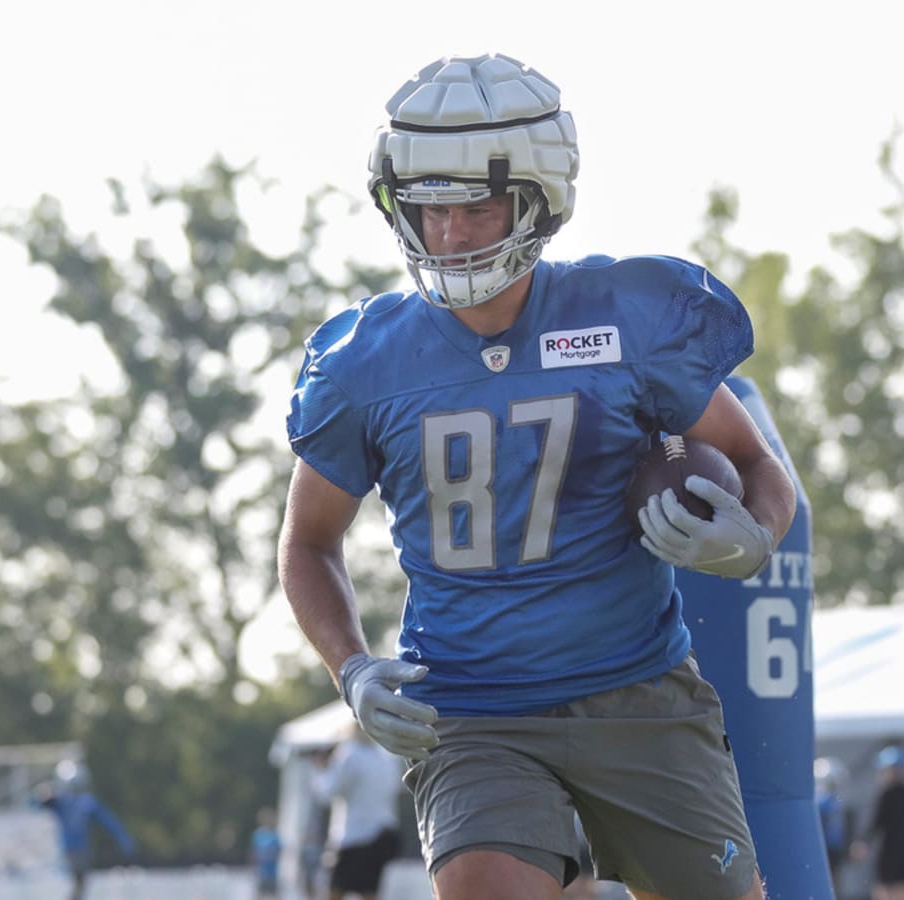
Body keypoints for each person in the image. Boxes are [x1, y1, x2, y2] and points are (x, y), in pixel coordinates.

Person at [277, 51, 797, 900]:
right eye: (426, 210)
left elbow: (752, 463)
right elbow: (308, 543)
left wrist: (756, 538)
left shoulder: (628, 316)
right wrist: (353, 669)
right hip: (474, 711)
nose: (447, 236)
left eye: (475, 207)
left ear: (538, 197)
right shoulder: (363, 364)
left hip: (639, 693)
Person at [312, 723, 404, 900]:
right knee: (370, 893)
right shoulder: (387, 758)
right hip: (381, 837)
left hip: (352, 838)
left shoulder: (349, 754)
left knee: (333, 893)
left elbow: (328, 791)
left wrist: (321, 770)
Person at [35, 759, 136, 900]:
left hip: (80, 851)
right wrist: (43, 794)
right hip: (69, 852)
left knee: (80, 885)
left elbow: (110, 822)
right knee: (78, 884)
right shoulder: (60, 802)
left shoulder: (84, 803)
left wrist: (125, 841)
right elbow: (34, 803)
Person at [853, 746, 904, 900]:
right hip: (885, 849)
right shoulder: (883, 793)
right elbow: (873, 821)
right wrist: (863, 842)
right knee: (883, 886)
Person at [814, 757, 851, 891]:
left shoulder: (826, 801)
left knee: (831, 879)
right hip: (830, 847)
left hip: (830, 847)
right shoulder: (829, 801)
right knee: (832, 879)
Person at [250, 806, 283, 899]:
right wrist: (253, 866)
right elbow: (253, 852)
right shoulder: (258, 834)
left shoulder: (275, 835)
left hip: (272, 872)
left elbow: (278, 852)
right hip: (260, 872)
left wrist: (267, 855)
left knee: (273, 896)